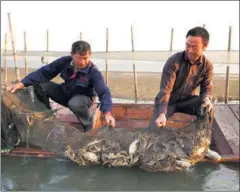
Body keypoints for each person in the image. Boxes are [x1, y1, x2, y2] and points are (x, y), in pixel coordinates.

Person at [7, 40, 116, 131]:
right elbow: (44, 73)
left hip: (83, 99)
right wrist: (21, 83)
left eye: (86, 58)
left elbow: (104, 92)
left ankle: (87, 125)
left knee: (75, 103)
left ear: (89, 55)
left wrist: (107, 113)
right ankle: (47, 117)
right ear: (72, 55)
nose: (83, 62)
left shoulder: (94, 72)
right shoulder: (64, 62)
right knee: (41, 86)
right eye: (79, 58)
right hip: (66, 93)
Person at [149, 26, 214, 129]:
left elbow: (207, 88)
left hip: (187, 101)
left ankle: (198, 136)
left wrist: (207, 98)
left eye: (194, 47)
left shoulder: (207, 65)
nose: (189, 50)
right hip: (168, 101)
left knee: (206, 107)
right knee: (154, 128)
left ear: (204, 47)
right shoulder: (174, 61)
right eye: (187, 45)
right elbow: (165, 91)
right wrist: (162, 113)